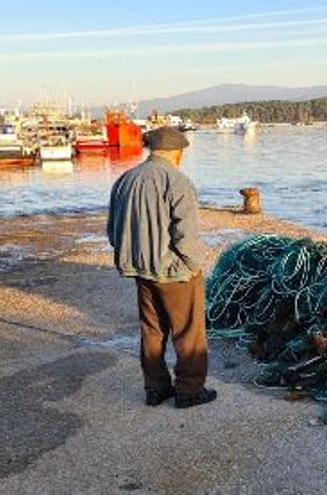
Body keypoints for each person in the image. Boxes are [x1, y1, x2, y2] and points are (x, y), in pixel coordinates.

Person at [107, 126, 217, 409]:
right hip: (174, 271)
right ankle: (190, 391)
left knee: (152, 330)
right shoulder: (177, 181)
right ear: (177, 153)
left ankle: (155, 389)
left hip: (140, 269)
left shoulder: (125, 180)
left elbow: (112, 230)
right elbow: (186, 235)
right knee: (189, 331)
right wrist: (193, 266)